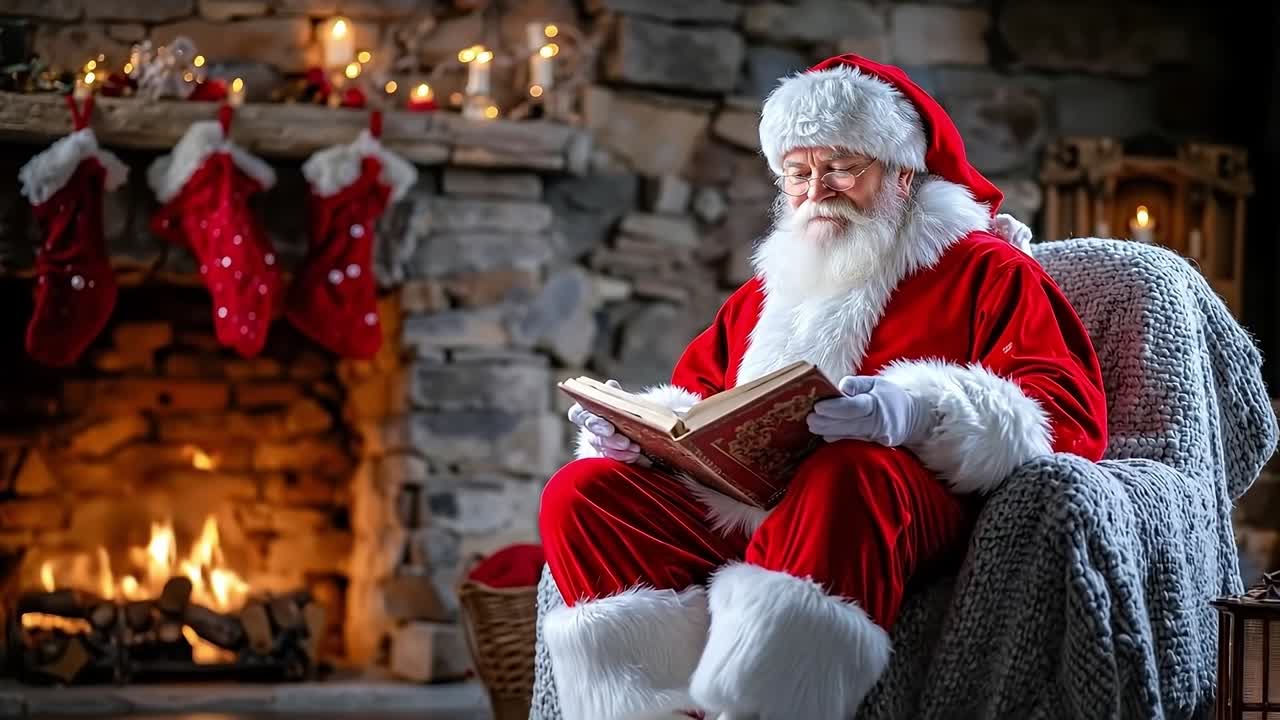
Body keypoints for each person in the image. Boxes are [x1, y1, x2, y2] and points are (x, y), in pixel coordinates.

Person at [537, 54, 1109, 720]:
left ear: (902, 172)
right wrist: (641, 436)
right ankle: (664, 707)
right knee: (583, 493)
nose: (818, 190)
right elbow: (700, 402)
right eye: (799, 173)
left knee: (847, 470)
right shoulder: (766, 288)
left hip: (881, 506)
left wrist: (915, 411)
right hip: (755, 509)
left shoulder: (988, 269)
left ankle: (769, 704)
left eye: (842, 167)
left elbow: (1061, 416)